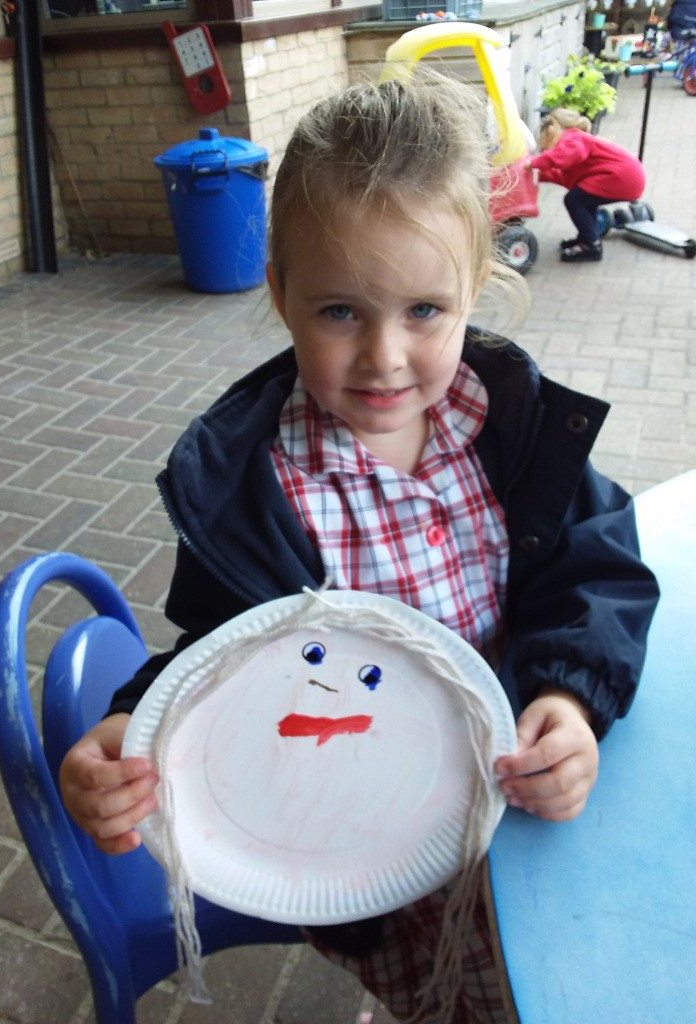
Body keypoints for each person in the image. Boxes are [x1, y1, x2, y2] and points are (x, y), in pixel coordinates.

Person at [59, 73, 659, 1024]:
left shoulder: (516, 433)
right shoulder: (255, 490)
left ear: (476, 286)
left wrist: (568, 696)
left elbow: (597, 567)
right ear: (280, 292)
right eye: (341, 311)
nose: (384, 357)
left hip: (524, 806)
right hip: (372, 857)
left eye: (424, 311)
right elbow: (216, 662)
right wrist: (133, 731)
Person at [526, 107, 646, 263]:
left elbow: (562, 157)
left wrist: (533, 164)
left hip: (622, 177)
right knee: (585, 198)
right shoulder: (576, 141)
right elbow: (564, 176)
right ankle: (587, 237)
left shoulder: (573, 138)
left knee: (574, 200)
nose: (546, 151)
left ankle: (591, 245)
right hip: (627, 177)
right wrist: (537, 175)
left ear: (554, 128)